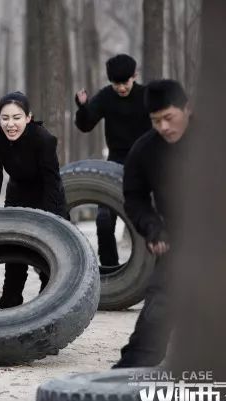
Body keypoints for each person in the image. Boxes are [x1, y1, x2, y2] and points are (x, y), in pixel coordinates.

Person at [113, 79, 192, 368]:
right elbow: (134, 197)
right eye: (155, 121)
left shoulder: (218, 140)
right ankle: (125, 380)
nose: (163, 127)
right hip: (177, 240)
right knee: (158, 308)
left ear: (187, 108)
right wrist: (153, 228)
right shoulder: (145, 150)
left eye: (169, 118)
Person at [0, 91, 68, 309]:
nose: (11, 124)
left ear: (28, 117)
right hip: (17, 195)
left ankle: (48, 302)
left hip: (47, 195)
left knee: (50, 253)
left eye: (17, 118)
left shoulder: (43, 139)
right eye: (5, 118)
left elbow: (52, 181)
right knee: (16, 253)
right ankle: (10, 304)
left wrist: (53, 220)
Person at [74, 54, 152, 272]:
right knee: (104, 219)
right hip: (116, 162)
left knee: (149, 217)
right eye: (116, 84)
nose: (121, 88)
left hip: (145, 162)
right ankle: (110, 269)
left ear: (134, 76)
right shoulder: (107, 97)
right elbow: (86, 124)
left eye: (125, 82)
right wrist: (83, 107)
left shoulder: (146, 96)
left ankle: (150, 271)